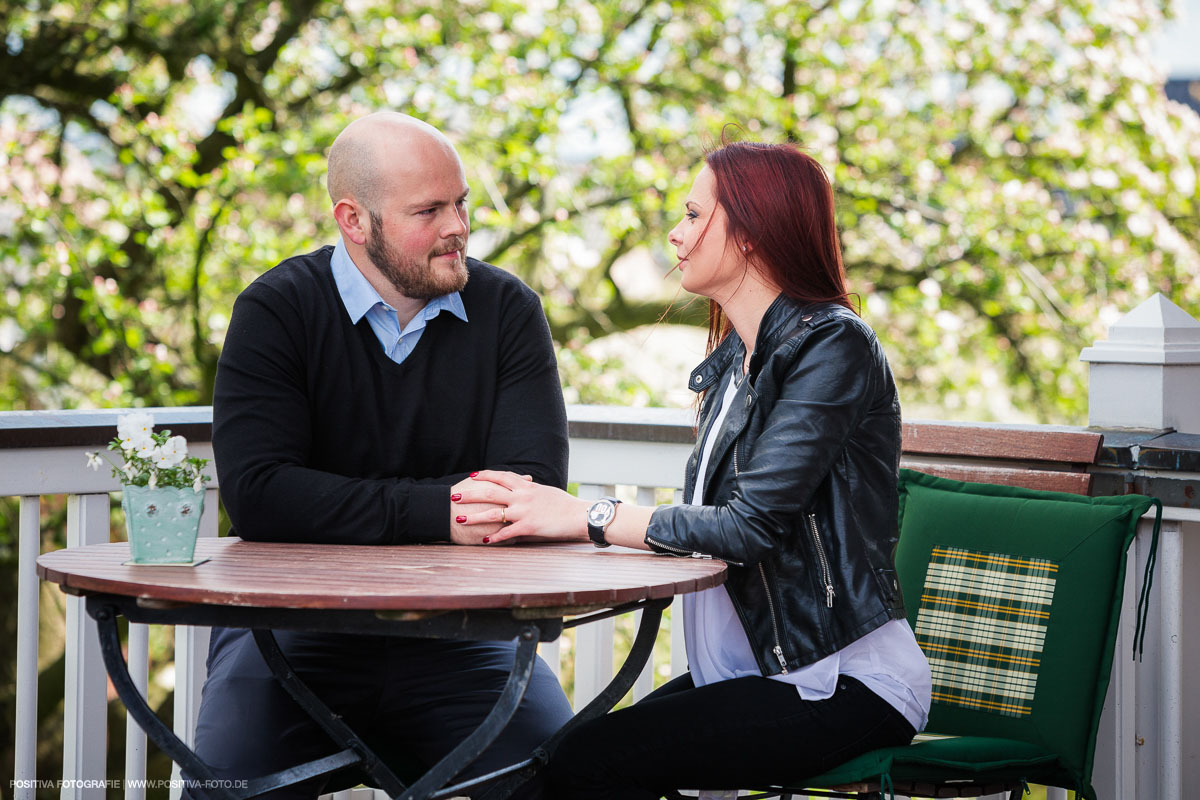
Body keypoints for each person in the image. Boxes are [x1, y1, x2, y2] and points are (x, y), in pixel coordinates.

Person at [455, 139, 932, 798]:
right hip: (759, 669)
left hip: (842, 680)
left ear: (748, 232)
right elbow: (711, 524)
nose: (675, 236)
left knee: (589, 764)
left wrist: (588, 516)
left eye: (692, 215)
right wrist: (558, 527)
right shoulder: (738, 359)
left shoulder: (833, 346)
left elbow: (747, 528)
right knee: (557, 760)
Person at [191, 112, 573, 799]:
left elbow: (528, 493)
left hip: (464, 637)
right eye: (429, 210)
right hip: (290, 633)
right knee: (226, 789)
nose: (458, 225)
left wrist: (338, 502)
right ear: (354, 220)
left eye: (461, 203)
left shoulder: (508, 310)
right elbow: (261, 494)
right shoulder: (276, 309)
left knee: (556, 780)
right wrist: (439, 506)